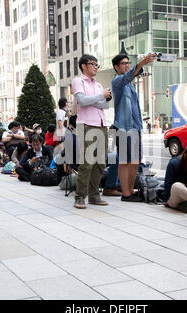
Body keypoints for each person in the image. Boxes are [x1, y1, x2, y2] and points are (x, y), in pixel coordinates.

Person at [111, 52, 156, 202]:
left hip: (135, 126)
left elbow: (134, 74)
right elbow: (129, 75)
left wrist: (143, 64)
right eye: (123, 63)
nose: (127, 65)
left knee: (135, 159)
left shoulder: (130, 83)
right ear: (116, 67)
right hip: (122, 127)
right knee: (125, 160)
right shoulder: (117, 81)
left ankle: (131, 189)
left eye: (128, 63)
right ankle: (125, 193)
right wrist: (141, 63)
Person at [72, 54, 111, 209]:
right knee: (87, 163)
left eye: (97, 64)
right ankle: (79, 197)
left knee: (100, 163)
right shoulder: (78, 81)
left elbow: (105, 106)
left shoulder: (98, 85)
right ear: (84, 66)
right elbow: (82, 101)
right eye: (92, 64)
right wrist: (100, 97)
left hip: (101, 124)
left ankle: (94, 196)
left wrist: (94, 99)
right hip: (86, 125)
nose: (95, 67)